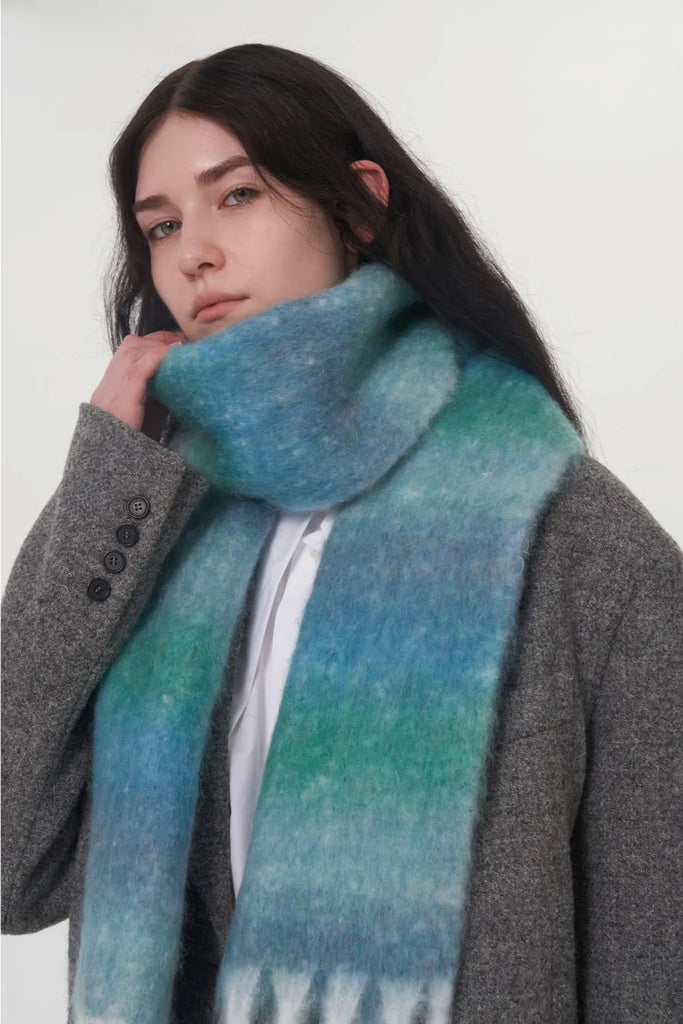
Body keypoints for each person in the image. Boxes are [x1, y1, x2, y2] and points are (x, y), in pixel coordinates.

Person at [1, 42, 681, 1024]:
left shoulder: (579, 546)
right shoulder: (148, 516)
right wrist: (104, 479)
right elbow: (12, 869)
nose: (193, 253)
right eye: (161, 224)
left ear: (358, 207)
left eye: (237, 195)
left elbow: (653, 966)